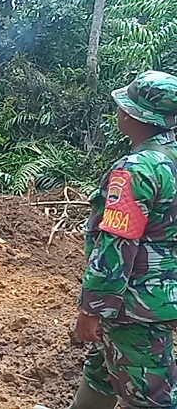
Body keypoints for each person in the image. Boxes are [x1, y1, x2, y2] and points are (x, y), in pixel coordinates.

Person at [38, 71, 177, 409]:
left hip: (134, 305)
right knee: (102, 372)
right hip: (162, 293)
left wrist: (92, 309)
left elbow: (116, 246)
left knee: (151, 396)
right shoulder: (170, 159)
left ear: (132, 116)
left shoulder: (137, 169)